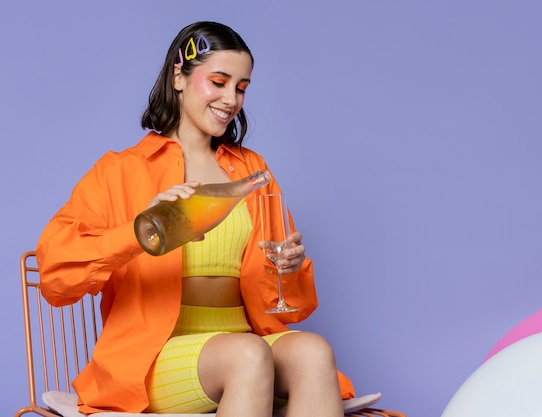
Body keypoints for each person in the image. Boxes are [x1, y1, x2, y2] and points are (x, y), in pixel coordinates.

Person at [36, 21, 354, 416]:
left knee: (312, 350)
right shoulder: (119, 171)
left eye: (241, 87)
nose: (231, 99)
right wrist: (142, 230)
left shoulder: (251, 169)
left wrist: (287, 269)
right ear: (179, 77)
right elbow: (54, 277)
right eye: (218, 81)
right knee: (247, 355)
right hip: (157, 354)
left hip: (245, 340)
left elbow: (292, 309)